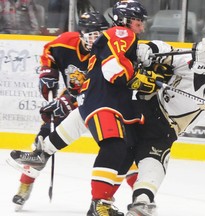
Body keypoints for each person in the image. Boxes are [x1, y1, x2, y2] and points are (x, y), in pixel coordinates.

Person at [8, 1, 157, 215]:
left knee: (122, 148)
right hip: (96, 99)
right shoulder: (118, 35)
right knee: (115, 147)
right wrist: (47, 74)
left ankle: (121, 198)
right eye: (138, 21)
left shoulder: (112, 39)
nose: (141, 26)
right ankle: (27, 183)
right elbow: (112, 71)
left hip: (88, 98)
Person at [6, 11, 110, 211]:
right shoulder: (65, 42)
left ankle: (141, 197)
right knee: (42, 143)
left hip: (100, 104)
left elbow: (96, 89)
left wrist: (68, 101)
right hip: (72, 97)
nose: (96, 40)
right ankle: (25, 185)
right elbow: (48, 51)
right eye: (91, 36)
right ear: (81, 34)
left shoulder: (107, 53)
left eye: (100, 35)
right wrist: (48, 71)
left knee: (117, 148)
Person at [125, 39, 205, 215]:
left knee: (154, 165)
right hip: (146, 108)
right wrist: (149, 49)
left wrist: (202, 76)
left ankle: (142, 201)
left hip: (165, 130)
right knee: (121, 152)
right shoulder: (188, 64)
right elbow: (166, 50)